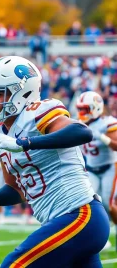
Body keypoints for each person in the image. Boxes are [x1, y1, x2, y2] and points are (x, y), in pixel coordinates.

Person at [0, 56, 109, 267]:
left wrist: (24, 143)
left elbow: (81, 132)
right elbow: (16, 190)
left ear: (22, 92)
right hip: (66, 222)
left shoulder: (36, 112)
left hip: (80, 214)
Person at [76, 91, 117, 249]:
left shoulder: (108, 123)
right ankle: (101, 238)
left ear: (96, 108)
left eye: (85, 109)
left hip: (109, 167)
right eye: (80, 109)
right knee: (91, 203)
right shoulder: (79, 124)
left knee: (108, 203)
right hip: (91, 169)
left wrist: (103, 137)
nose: (82, 113)